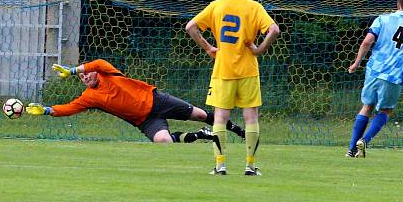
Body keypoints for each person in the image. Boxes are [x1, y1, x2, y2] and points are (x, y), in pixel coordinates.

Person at [185, 0, 279, 176]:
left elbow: (191, 27)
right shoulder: (254, 7)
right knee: (251, 118)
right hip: (248, 70)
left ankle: (220, 166)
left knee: (220, 117)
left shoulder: (217, 6)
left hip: (223, 69)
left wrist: (209, 48)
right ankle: (250, 166)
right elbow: (274, 30)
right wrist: (259, 50)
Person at [25, 59, 245, 143]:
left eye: (86, 73)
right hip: (144, 120)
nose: (85, 77)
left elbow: (99, 62)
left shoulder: (107, 73)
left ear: (92, 72)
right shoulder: (89, 97)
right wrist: (46, 110)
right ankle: (201, 135)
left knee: (198, 114)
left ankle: (236, 130)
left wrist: (73, 70)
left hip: (157, 100)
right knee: (163, 142)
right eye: (82, 77)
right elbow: (68, 108)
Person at [346, 0, 403, 158]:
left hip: (374, 70)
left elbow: (367, 41)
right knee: (385, 110)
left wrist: (357, 62)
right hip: (395, 75)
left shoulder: (382, 19)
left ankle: (351, 148)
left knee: (367, 107)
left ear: (398, 4)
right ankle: (365, 140)